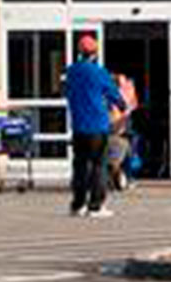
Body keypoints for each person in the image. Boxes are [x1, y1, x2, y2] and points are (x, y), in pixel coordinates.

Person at [65, 35, 127, 218]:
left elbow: (67, 91)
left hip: (78, 126)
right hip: (97, 126)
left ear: (79, 52)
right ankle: (96, 206)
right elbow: (113, 94)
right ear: (95, 53)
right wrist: (122, 105)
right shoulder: (99, 72)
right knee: (98, 166)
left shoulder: (71, 71)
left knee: (80, 166)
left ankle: (77, 205)